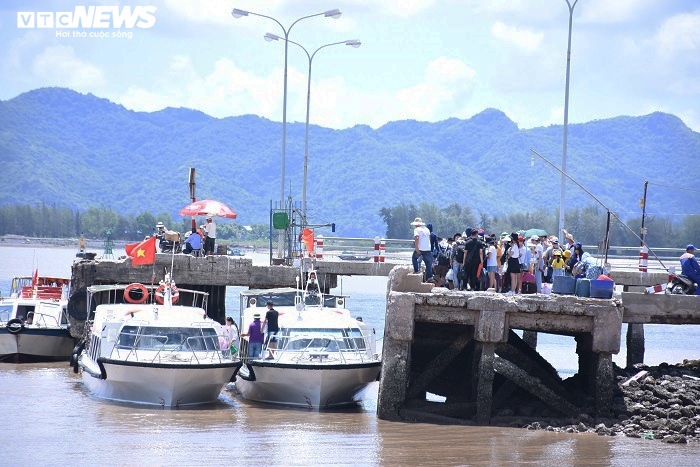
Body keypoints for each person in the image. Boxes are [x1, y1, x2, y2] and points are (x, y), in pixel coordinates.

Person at [411, 217, 434, 282]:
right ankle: (430, 277)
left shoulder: (416, 230)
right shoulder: (427, 229)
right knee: (428, 263)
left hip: (420, 248)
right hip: (427, 248)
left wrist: (416, 248)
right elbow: (429, 238)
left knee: (414, 258)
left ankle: (416, 271)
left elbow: (417, 237)